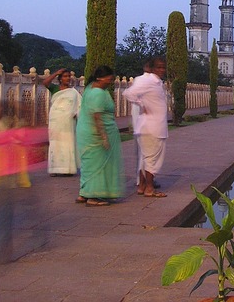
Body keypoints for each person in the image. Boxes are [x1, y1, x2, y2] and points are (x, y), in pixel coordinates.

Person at [75, 65, 123, 207]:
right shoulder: (98, 93)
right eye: (109, 78)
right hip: (95, 133)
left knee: (89, 163)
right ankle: (94, 196)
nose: (110, 81)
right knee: (98, 164)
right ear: (100, 78)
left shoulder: (91, 88)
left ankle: (84, 193)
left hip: (86, 132)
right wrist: (104, 137)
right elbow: (97, 116)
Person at [123, 57, 168, 197]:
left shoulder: (156, 82)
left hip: (154, 126)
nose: (161, 70)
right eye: (158, 67)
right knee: (151, 159)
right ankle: (149, 188)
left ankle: (142, 186)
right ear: (152, 68)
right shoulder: (148, 81)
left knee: (146, 158)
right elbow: (128, 93)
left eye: (163, 67)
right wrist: (142, 104)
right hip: (151, 127)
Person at [42, 68, 81, 176]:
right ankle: (54, 169)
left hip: (68, 123)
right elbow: (45, 83)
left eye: (69, 76)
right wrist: (55, 73)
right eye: (65, 76)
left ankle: (67, 170)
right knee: (55, 144)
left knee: (68, 144)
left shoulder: (73, 92)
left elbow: (80, 106)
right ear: (60, 78)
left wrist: (75, 113)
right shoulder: (55, 88)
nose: (67, 78)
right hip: (56, 121)